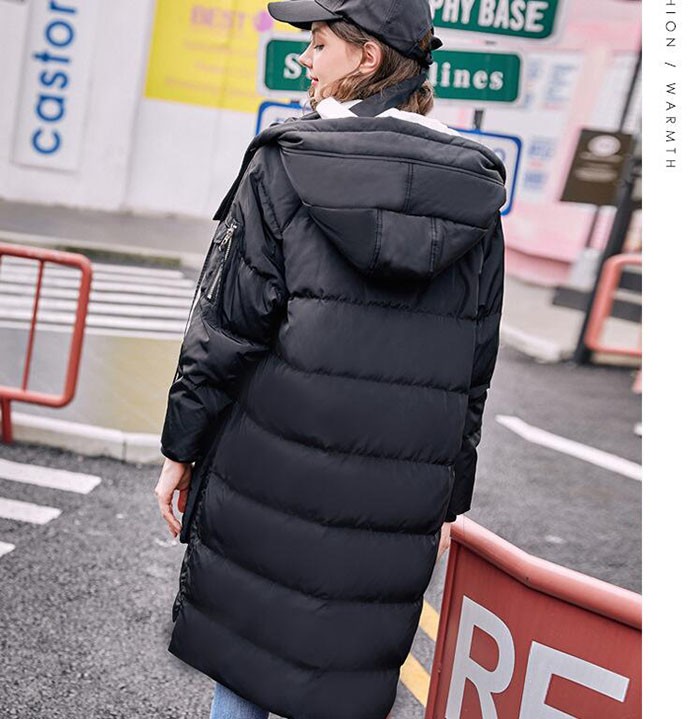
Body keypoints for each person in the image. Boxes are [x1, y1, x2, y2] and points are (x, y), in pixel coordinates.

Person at [153, 0, 507, 717]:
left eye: (318, 44)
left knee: (247, 661)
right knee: (344, 676)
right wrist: (449, 496)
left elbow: (228, 327)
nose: (305, 59)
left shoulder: (287, 160)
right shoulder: (475, 190)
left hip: (269, 465)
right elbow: (476, 366)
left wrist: (180, 447)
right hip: (399, 489)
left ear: (367, 57)